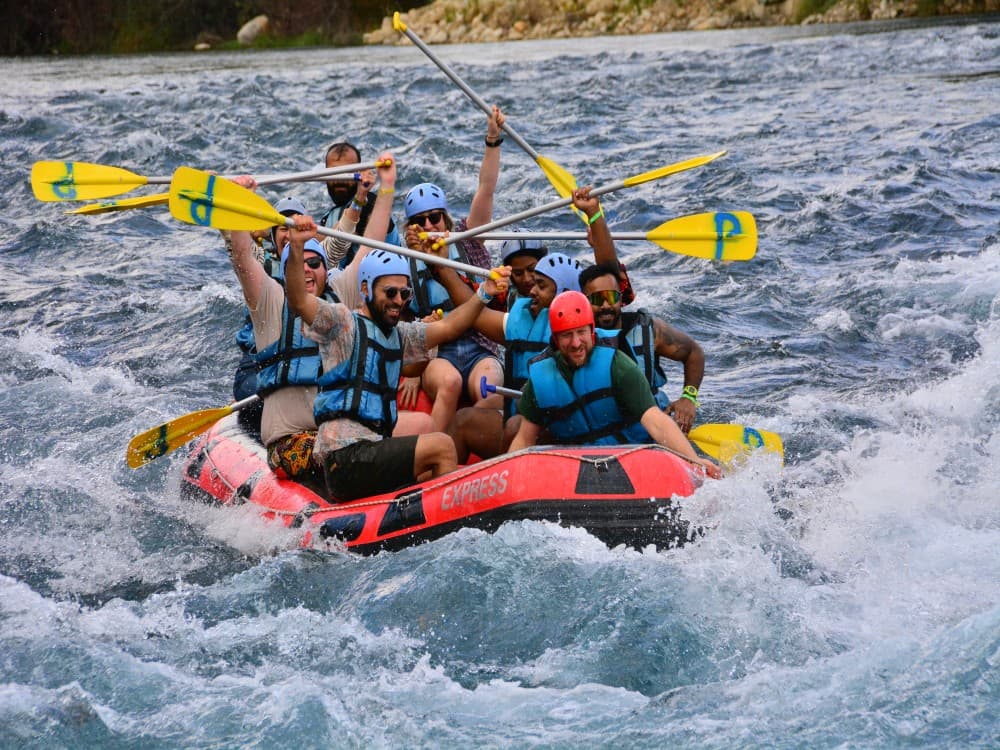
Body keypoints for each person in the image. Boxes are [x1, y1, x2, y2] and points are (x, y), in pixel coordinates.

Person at [283, 217, 511, 501]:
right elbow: (299, 300)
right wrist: (295, 246)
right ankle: (447, 524)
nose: (398, 300)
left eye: (405, 293)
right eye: (389, 292)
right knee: (442, 446)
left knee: (429, 466)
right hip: (345, 456)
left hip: (373, 450)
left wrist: (484, 294)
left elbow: (450, 326)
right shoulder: (341, 323)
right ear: (365, 290)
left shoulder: (399, 335)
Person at [224, 154, 401, 483]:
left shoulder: (340, 292)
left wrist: (386, 186)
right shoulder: (271, 301)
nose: (307, 269)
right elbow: (243, 259)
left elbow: (371, 245)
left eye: (315, 263)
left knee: (421, 430)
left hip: (342, 433)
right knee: (354, 452)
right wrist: (237, 206)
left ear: (326, 269)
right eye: (299, 262)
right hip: (292, 442)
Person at [508, 291, 721, 478]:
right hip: (578, 468)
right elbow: (525, 438)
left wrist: (694, 462)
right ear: (555, 339)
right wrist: (509, 476)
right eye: (566, 335)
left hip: (633, 457)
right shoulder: (541, 378)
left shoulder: (617, 365)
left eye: (581, 332)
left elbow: (656, 421)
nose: (575, 343)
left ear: (592, 330)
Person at [401, 106, 508, 433]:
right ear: (411, 227)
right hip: (439, 354)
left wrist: (492, 140)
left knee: (488, 386)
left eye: (435, 218)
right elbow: (398, 320)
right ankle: (434, 455)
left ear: (446, 219)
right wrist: (412, 369)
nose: (430, 226)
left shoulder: (469, 238)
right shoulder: (403, 259)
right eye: (420, 221)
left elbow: (485, 189)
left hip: (481, 348)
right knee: (448, 383)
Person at [438, 250, 583, 462]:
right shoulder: (521, 320)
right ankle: (442, 488)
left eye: (541, 286)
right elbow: (474, 314)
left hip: (561, 433)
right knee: (463, 421)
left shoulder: (580, 339)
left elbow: (609, 271)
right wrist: (443, 268)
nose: (531, 290)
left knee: (516, 426)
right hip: (518, 423)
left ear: (564, 294)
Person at [578, 262, 705, 434]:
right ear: (584, 301)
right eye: (598, 299)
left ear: (621, 299)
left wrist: (688, 397)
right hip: (603, 432)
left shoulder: (650, 331)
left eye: (612, 297)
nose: (606, 305)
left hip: (651, 429)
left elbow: (693, 353)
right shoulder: (576, 342)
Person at [318, 141, 401, 269]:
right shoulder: (329, 215)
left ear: (359, 172)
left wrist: (385, 185)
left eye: (346, 172)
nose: (340, 179)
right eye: (334, 173)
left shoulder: (368, 204)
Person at [497, 235, 548, 309]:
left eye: (532, 269)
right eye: (518, 273)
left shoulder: (558, 293)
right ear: (510, 275)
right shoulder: (501, 298)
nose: (527, 279)